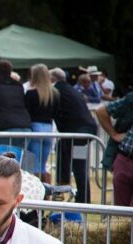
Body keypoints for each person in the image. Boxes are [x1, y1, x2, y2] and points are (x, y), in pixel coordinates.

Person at [50, 67, 96, 204]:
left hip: (79, 134)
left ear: (52, 79)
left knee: (79, 166)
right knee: (73, 161)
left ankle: (79, 197)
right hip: (83, 131)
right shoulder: (71, 90)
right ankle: (78, 195)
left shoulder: (57, 91)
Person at [95, 89, 133, 206]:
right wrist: (114, 134)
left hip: (124, 159)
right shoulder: (131, 99)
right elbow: (102, 111)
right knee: (121, 213)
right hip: (124, 158)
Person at [23, 64, 60, 183]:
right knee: (43, 165)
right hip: (49, 129)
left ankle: (36, 192)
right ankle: (46, 192)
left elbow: (27, 112)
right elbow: (55, 113)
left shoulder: (30, 94)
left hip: (35, 128)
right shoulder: (55, 94)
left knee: (34, 164)